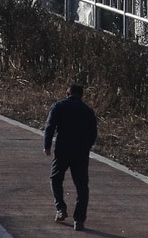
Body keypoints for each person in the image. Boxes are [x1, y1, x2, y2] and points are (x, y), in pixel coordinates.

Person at [43, 83, 98, 231]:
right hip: (80, 152)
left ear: (67, 94)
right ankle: (79, 220)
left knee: (55, 178)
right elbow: (93, 133)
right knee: (81, 186)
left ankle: (61, 208)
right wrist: (87, 146)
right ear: (81, 96)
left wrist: (47, 145)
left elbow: (50, 126)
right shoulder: (88, 111)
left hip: (62, 149)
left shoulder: (58, 106)